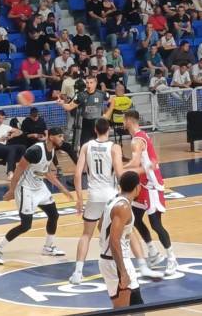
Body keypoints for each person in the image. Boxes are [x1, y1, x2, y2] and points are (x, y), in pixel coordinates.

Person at [69, 118, 163, 285]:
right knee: (129, 231)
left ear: (95, 130)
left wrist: (79, 198)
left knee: (86, 235)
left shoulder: (86, 146)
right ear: (109, 130)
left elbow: (77, 175)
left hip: (94, 196)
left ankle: (77, 273)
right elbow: (120, 174)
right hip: (111, 196)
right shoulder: (114, 147)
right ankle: (143, 267)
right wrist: (145, 168)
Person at [0, 128, 74, 264]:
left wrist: (62, 189)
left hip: (39, 187)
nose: (62, 139)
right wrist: (12, 191)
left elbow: (46, 172)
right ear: (51, 137)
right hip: (26, 189)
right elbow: (18, 170)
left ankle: (48, 247)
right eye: (60, 136)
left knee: (54, 215)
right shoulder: (35, 151)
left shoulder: (51, 150)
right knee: (25, 225)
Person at [123, 110, 178, 275]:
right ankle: (153, 252)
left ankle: (172, 258)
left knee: (156, 224)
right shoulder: (141, 136)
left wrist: (118, 166)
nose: (122, 123)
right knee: (134, 218)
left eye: (124, 120)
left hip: (152, 185)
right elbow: (146, 161)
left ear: (129, 120)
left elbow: (135, 162)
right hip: (143, 184)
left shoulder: (137, 140)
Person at [98, 171, 145, 308]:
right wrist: (123, 272)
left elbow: (100, 226)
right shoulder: (123, 207)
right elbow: (114, 241)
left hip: (110, 260)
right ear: (137, 187)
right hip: (116, 262)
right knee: (124, 309)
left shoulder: (112, 201)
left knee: (136, 305)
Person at [57, 75, 109, 147]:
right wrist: (62, 104)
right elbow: (69, 107)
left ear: (95, 83)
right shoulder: (81, 95)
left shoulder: (101, 94)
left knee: (100, 145)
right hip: (86, 123)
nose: (89, 85)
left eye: (91, 82)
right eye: (87, 83)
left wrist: (107, 114)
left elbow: (112, 100)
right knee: (84, 145)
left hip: (97, 123)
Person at [0, 110, 25, 180]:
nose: (1, 120)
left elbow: (20, 132)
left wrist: (11, 136)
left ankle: (21, 170)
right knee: (11, 149)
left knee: (22, 147)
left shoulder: (5, 127)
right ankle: (10, 172)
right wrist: (0, 139)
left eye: (3, 118)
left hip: (4, 147)